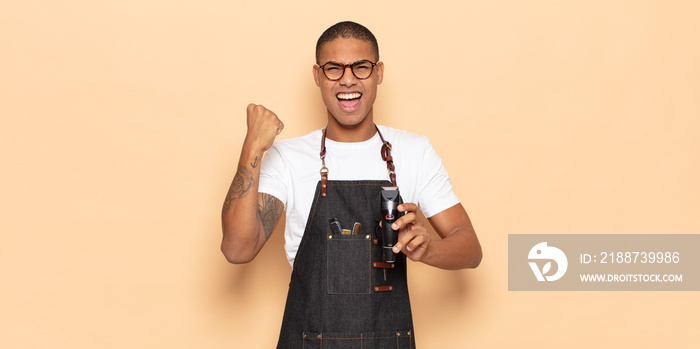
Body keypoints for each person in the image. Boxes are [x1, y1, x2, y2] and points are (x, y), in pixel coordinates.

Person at [221, 21, 482, 348]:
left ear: (378, 73)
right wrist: (252, 149)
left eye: (361, 67)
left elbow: (470, 249)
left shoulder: (413, 152)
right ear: (317, 75)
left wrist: (429, 248)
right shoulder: (287, 157)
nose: (347, 79)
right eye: (334, 68)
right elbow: (237, 249)